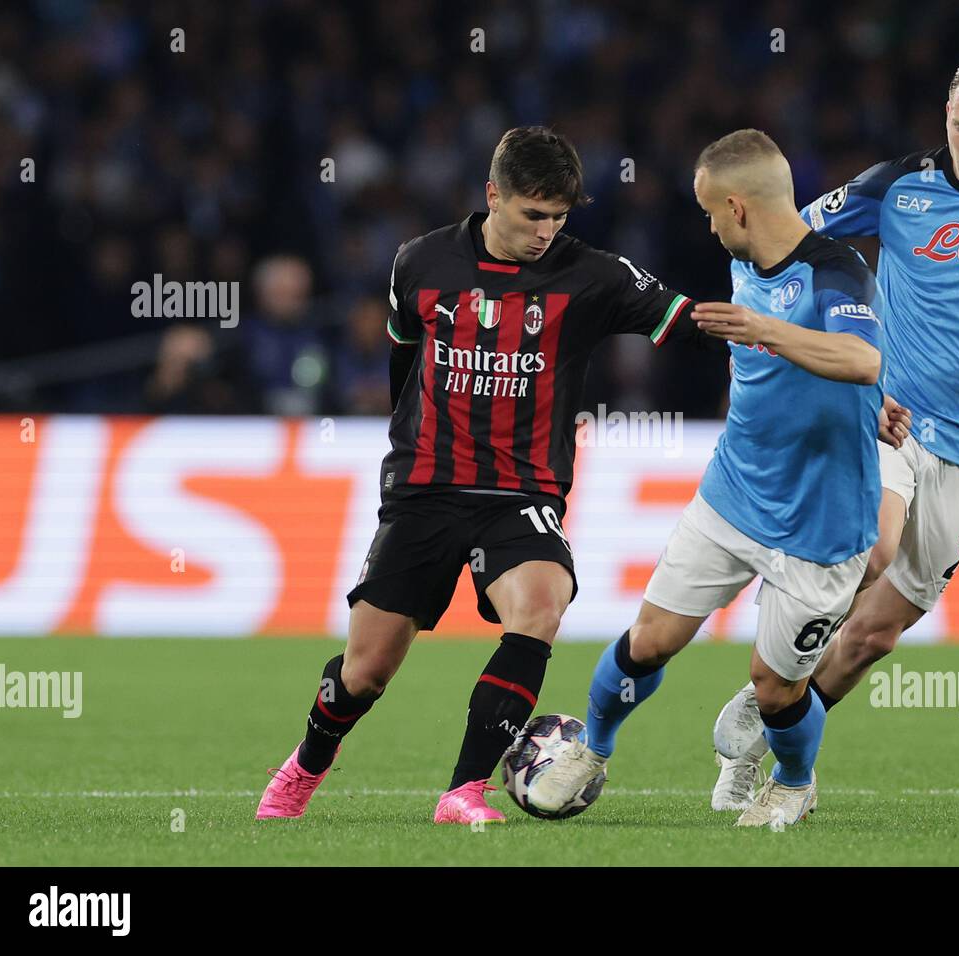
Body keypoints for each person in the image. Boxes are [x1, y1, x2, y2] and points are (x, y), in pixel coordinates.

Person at [255, 126, 716, 825]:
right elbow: (404, 364)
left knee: (542, 606)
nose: (546, 231)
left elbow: (696, 322)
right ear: (493, 195)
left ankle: (464, 790)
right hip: (426, 488)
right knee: (365, 672)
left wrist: (788, 337)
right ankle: (305, 765)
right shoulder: (420, 261)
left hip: (521, 491)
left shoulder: (593, 276)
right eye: (534, 214)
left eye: (559, 216)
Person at [709, 55, 959, 811]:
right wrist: (779, 324)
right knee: (873, 548)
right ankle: (779, 693)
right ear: (946, 116)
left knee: (872, 638)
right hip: (888, 414)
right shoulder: (897, 186)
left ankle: (765, 724)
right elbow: (787, 236)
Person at [526, 129, 888, 827]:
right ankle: (590, 751)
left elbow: (861, 358)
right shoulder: (746, 258)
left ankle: (793, 780)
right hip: (734, 493)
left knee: (774, 689)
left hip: (822, 518)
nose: (709, 226)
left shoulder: (835, 271)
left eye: (710, 212)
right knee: (649, 639)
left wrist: (763, 330)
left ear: (737, 207)